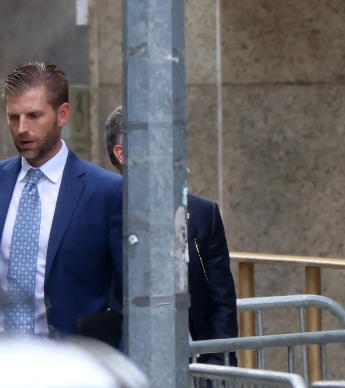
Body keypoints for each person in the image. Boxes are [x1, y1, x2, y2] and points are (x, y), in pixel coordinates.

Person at [104, 106, 238, 365]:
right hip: (124, 366)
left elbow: (222, 301)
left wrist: (217, 365)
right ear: (122, 154)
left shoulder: (202, 213)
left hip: (194, 369)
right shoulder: (101, 211)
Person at [0, 62, 122, 345]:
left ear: (62, 114)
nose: (22, 129)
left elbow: (127, 297)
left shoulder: (106, 192)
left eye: (34, 116)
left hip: (72, 370)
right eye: (13, 117)